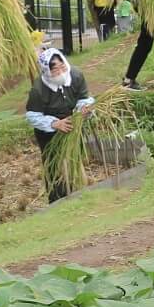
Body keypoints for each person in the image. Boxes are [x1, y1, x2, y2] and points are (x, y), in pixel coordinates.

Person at [24, 47, 93, 202]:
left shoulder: (75, 75)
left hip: (72, 124)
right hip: (48, 131)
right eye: (55, 71)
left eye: (63, 67)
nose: (61, 73)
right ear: (46, 72)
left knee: (75, 157)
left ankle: (81, 194)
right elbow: (32, 116)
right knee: (53, 165)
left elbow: (84, 97)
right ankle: (57, 200)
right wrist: (54, 123)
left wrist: (82, 109)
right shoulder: (38, 90)